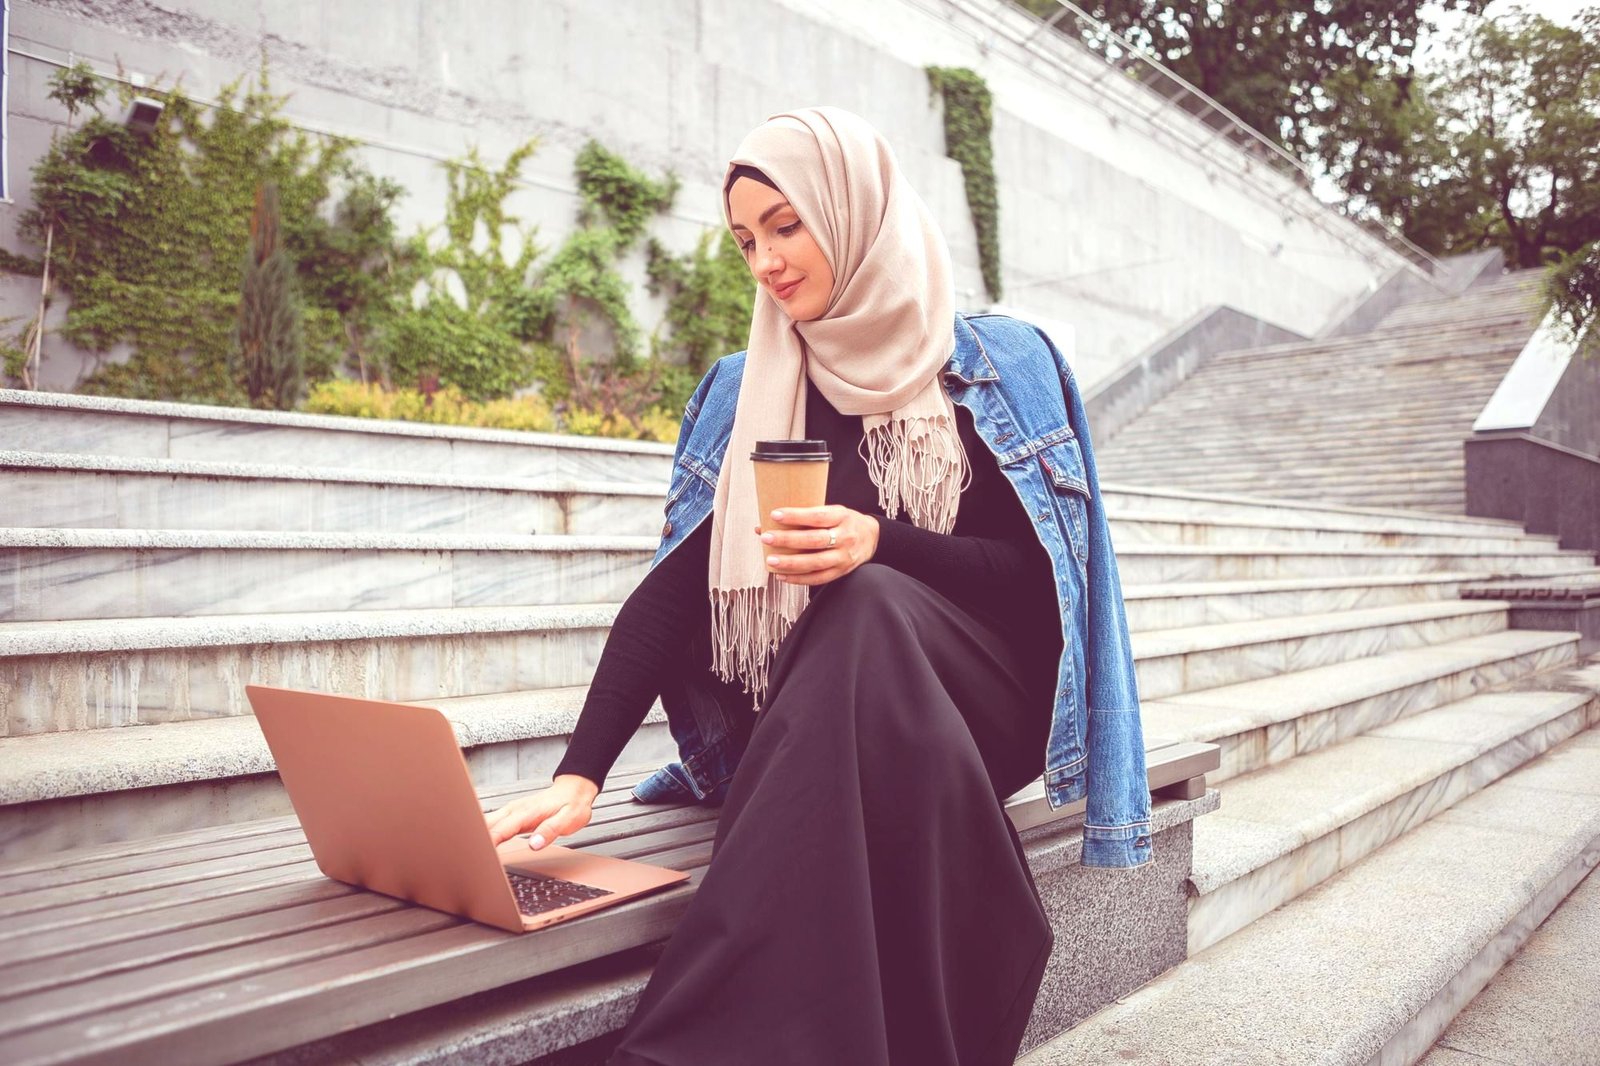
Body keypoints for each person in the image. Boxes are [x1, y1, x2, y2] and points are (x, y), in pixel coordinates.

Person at [484, 105, 1151, 1065]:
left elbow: (1036, 586)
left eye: (788, 226)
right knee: (859, 634)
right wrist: (579, 772)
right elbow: (683, 585)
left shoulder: (1004, 365)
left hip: (982, 704)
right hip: (833, 710)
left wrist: (883, 542)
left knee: (869, 600)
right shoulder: (750, 384)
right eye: (746, 240)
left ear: (857, 212)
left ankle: (676, 1047)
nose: (766, 261)